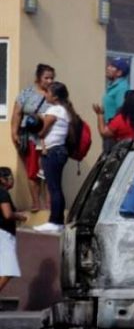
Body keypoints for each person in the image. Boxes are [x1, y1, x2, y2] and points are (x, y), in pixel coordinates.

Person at [34, 82, 79, 233]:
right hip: (59, 151)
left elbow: (41, 132)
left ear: (55, 96)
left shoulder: (54, 110)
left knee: (54, 188)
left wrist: (37, 122)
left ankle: (54, 222)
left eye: (47, 92)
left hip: (53, 151)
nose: (45, 94)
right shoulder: (64, 110)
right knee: (56, 187)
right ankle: (58, 222)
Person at [10, 63, 55, 212]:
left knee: (48, 172)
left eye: (52, 78)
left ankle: (48, 205)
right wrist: (14, 132)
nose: (49, 81)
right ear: (38, 78)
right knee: (32, 171)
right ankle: (36, 203)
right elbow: (17, 113)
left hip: (50, 139)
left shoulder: (55, 94)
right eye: (46, 78)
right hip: (30, 138)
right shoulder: (27, 93)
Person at [0, 168, 27, 296]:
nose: (12, 180)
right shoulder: (3, 193)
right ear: (2, 179)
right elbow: (7, 214)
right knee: (9, 270)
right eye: (9, 177)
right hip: (4, 235)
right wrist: (20, 216)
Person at [102, 57, 131, 152]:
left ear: (119, 72)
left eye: (112, 66)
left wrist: (112, 127)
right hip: (110, 129)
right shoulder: (113, 86)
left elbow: (121, 111)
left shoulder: (122, 88)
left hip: (114, 132)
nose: (108, 68)